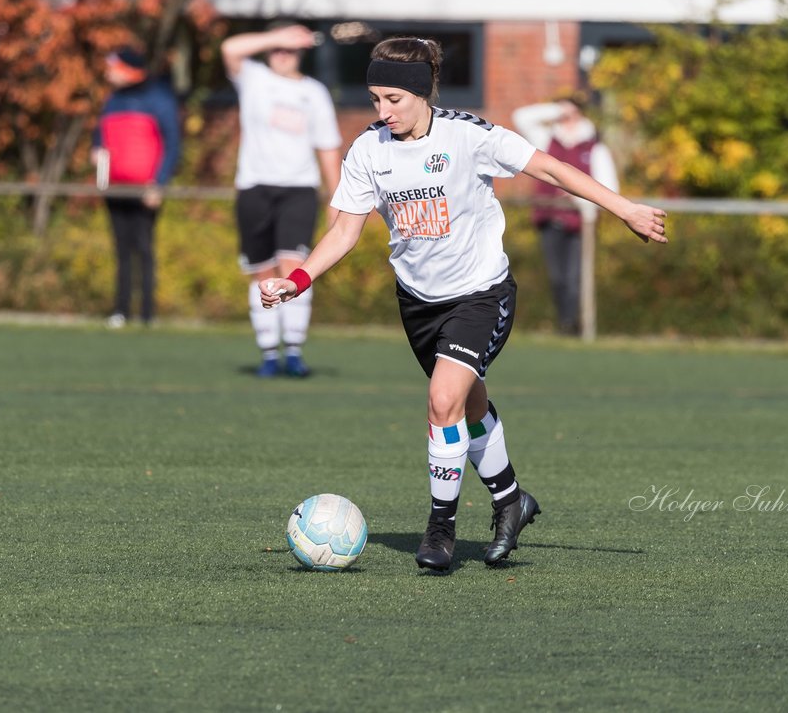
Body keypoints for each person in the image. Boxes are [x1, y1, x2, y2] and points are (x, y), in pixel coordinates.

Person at [259, 37, 667, 572]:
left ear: (421, 93)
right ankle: (511, 501)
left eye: (392, 100)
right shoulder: (368, 150)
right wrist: (299, 278)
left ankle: (440, 529)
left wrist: (624, 208)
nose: (382, 111)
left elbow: (549, 168)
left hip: (481, 294)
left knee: (442, 399)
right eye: (375, 99)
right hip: (418, 302)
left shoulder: (469, 136)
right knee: (467, 406)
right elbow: (344, 230)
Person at [221, 22, 342, 377]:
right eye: (277, 49)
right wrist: (278, 36)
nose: (283, 55)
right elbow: (230, 48)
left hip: (298, 189)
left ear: (301, 53)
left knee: (294, 268)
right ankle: (269, 353)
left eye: (290, 49)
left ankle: (293, 349)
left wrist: (337, 198)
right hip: (255, 186)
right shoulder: (254, 78)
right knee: (262, 272)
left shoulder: (314, 92)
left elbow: (328, 147)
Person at [513, 92, 619, 335]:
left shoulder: (594, 147)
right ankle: (565, 324)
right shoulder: (547, 139)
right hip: (550, 220)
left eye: (570, 111)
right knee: (558, 278)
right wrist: (556, 110)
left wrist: (580, 197)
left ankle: (575, 325)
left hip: (581, 223)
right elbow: (521, 117)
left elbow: (610, 189)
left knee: (575, 279)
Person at [90, 47, 182, 328]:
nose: (108, 72)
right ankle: (121, 310)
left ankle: (146, 314)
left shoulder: (158, 99)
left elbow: (172, 144)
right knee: (121, 250)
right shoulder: (112, 100)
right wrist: (96, 150)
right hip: (115, 187)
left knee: (143, 248)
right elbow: (99, 134)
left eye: (113, 67)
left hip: (145, 189)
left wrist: (160, 183)